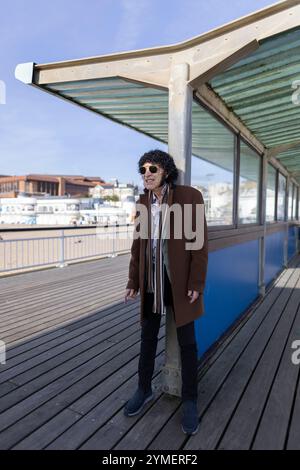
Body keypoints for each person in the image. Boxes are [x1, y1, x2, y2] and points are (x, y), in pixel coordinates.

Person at [124, 149, 208, 435]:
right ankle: (144, 389)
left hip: (180, 282)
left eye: (152, 169)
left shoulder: (189, 197)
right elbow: (138, 248)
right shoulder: (142, 203)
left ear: (166, 171)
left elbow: (199, 244)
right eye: (143, 169)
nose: (147, 173)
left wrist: (196, 283)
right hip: (151, 282)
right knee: (147, 338)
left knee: (187, 343)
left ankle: (190, 400)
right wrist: (132, 282)